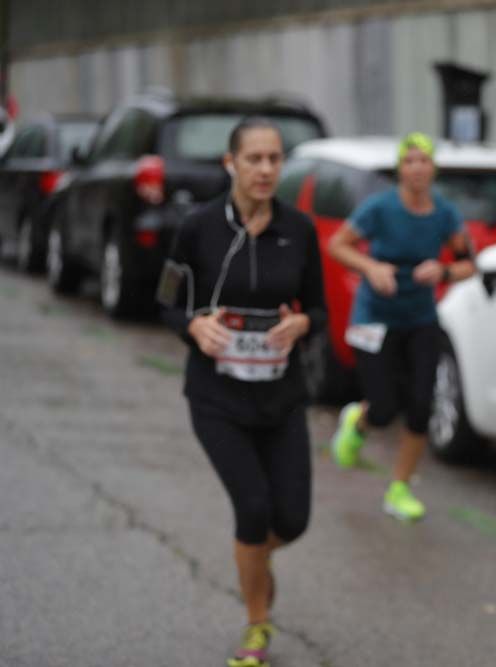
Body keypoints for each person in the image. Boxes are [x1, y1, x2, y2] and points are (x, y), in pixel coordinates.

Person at [161, 117, 327, 667]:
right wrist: (192, 326)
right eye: (253, 158)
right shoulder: (198, 227)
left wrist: (301, 326)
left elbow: (319, 309)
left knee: (293, 519)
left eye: (274, 159)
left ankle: (252, 561)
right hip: (217, 398)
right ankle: (257, 626)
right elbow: (165, 298)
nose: (264, 169)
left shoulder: (299, 230)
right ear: (230, 163)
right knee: (253, 507)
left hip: (280, 398)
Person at [327, 132, 475, 522]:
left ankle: (400, 489)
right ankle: (358, 419)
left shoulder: (445, 214)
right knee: (383, 408)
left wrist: (442, 270)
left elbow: (468, 264)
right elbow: (338, 245)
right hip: (374, 317)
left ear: (433, 169)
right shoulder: (379, 208)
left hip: (420, 318)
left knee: (420, 406)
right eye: (409, 161)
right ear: (400, 169)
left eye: (423, 160)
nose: (416, 168)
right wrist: (372, 267)